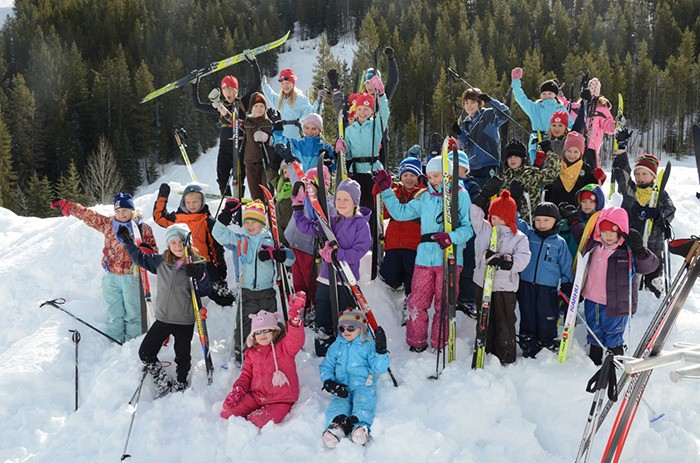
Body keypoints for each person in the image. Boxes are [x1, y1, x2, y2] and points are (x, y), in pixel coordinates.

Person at [374, 155, 474, 352]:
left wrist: (451, 237)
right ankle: (416, 342)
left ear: (447, 175)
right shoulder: (424, 197)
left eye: (437, 176)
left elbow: (468, 229)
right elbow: (400, 213)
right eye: (430, 176)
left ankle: (440, 343)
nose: (434, 180)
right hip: (424, 257)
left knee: (443, 304)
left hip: (449, 257)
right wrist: (386, 190)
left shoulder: (460, 195)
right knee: (417, 302)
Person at [117, 223, 211, 395]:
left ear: (188, 243)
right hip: (163, 319)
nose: (177, 247)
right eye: (173, 243)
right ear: (168, 245)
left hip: (184, 320)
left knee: (182, 357)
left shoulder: (196, 264)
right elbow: (140, 258)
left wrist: (199, 275)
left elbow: (206, 290)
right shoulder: (161, 261)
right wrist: (128, 242)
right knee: (145, 352)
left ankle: (181, 383)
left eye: (181, 242)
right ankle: (161, 379)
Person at [50, 193, 158, 343]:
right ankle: (115, 340)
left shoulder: (143, 229)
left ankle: (132, 343)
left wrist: (145, 250)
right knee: (114, 311)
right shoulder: (108, 224)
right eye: (118, 211)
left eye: (125, 211)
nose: (121, 214)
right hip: (111, 277)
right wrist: (67, 205)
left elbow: (153, 252)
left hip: (131, 277)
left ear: (132, 211)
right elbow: (88, 215)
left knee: (133, 312)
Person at [293, 178, 371, 356]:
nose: (341, 203)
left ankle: (347, 350)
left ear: (355, 202)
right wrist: (298, 209)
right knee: (323, 314)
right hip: (326, 278)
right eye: (339, 199)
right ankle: (323, 351)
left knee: (346, 316)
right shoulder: (331, 222)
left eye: (346, 199)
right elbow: (307, 227)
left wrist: (337, 254)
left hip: (346, 280)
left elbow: (360, 250)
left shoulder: (361, 224)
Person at [212, 199, 295, 363]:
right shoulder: (240, 239)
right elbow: (218, 234)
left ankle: (273, 351)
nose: (249, 226)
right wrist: (226, 215)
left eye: (254, 222)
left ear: (262, 222)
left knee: (270, 324)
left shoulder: (271, 240)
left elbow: (290, 259)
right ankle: (241, 352)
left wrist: (276, 254)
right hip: (247, 291)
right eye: (247, 222)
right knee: (244, 324)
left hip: (266, 292)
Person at [580, 208, 660, 365]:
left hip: (616, 303)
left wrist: (640, 252)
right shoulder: (594, 246)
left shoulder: (627, 251)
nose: (608, 235)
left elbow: (651, 266)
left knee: (613, 334)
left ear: (621, 230)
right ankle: (593, 361)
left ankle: (615, 364)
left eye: (613, 231)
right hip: (592, 299)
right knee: (594, 331)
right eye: (604, 231)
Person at [220, 292, 306, 427]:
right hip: (257, 396)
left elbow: (296, 340)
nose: (262, 335)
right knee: (228, 412)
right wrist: (238, 391)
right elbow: (246, 375)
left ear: (275, 331)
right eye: (258, 332)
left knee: (255, 421)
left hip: (280, 399)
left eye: (267, 330)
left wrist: (295, 321)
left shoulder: (284, 347)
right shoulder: (252, 352)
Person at [470, 180, 531, 365]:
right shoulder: (484, 228)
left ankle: (505, 354)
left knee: (504, 320)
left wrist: (506, 261)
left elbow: (523, 258)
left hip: (504, 287)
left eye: (499, 218)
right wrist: (484, 194)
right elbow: (474, 212)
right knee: (484, 318)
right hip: (482, 282)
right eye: (493, 217)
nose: (494, 221)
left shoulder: (518, 237)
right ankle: (484, 348)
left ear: (508, 218)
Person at [154, 183, 234, 306]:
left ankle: (226, 307)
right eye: (188, 202)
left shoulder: (207, 220)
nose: (192, 205)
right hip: (182, 261)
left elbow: (215, 245)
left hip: (203, 262)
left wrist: (220, 265)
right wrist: (162, 197)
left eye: (195, 202)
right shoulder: (176, 218)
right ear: (183, 202)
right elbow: (159, 217)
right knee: (181, 292)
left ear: (202, 201)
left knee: (221, 294)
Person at [191, 55, 261, 195]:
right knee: (222, 178)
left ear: (237, 90)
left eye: (232, 89)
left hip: (241, 147)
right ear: (222, 91)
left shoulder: (243, 102)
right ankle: (229, 201)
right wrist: (194, 84)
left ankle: (238, 202)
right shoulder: (219, 106)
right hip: (225, 148)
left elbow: (257, 84)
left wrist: (253, 63)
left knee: (239, 180)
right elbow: (197, 105)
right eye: (226, 89)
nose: (229, 92)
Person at [319, 309, 390, 447]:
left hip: (363, 385)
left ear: (361, 328)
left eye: (351, 327)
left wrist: (381, 351)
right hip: (341, 385)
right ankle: (337, 427)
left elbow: (379, 368)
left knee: (363, 403)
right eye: (342, 328)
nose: (346, 331)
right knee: (338, 404)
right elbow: (326, 366)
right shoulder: (336, 347)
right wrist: (329, 382)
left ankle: (360, 427)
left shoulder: (368, 346)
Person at [611, 152, 675, 298]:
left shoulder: (661, 194)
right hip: (631, 241)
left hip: (654, 243)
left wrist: (659, 214)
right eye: (637, 173)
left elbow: (671, 210)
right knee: (630, 268)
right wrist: (621, 159)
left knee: (653, 270)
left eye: (644, 174)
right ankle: (631, 293)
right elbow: (623, 177)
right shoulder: (630, 191)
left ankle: (653, 294)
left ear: (653, 176)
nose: (640, 177)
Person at [516, 202, 573, 358]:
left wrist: (568, 284)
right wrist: (515, 201)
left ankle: (547, 340)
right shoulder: (528, 236)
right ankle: (528, 340)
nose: (541, 224)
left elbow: (566, 265)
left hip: (547, 288)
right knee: (527, 313)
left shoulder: (559, 243)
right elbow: (515, 222)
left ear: (555, 221)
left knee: (546, 314)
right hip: (526, 284)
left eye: (546, 220)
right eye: (538, 220)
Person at [376, 156, 427, 324]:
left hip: (414, 246)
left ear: (419, 177)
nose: (409, 179)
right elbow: (384, 212)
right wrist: (378, 188)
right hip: (393, 245)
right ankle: (394, 291)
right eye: (405, 175)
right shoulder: (395, 191)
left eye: (413, 175)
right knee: (387, 276)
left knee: (412, 276)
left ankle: (410, 301)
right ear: (400, 176)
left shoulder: (422, 195)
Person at [284, 166, 334, 323]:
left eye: (310, 184)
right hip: (295, 243)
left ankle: (313, 306)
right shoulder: (303, 197)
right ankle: (301, 305)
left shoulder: (327, 204)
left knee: (310, 281)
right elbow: (295, 177)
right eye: (306, 184)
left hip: (309, 248)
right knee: (298, 280)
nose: (307, 188)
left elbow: (327, 224)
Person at [336, 77, 390, 210]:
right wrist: (342, 150)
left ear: (371, 111)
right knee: (359, 205)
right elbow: (348, 157)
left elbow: (385, 112)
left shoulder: (376, 126)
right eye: (360, 109)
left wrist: (381, 94)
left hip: (373, 170)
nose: (362, 113)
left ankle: (374, 229)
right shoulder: (349, 130)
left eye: (366, 109)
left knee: (373, 205)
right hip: (356, 172)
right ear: (355, 110)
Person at [451, 87, 511, 187]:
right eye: (466, 103)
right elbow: (466, 143)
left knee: (488, 191)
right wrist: (459, 133)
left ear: (479, 103)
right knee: (474, 192)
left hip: (489, 162)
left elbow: (506, 113)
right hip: (472, 166)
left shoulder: (489, 114)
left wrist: (491, 101)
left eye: (472, 102)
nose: (469, 106)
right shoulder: (465, 123)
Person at [510, 67, 571, 162]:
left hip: (556, 143)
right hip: (537, 143)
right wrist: (516, 81)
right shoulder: (535, 108)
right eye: (544, 93)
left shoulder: (560, 109)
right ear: (541, 95)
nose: (547, 96)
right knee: (538, 171)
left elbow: (571, 125)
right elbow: (521, 99)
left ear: (555, 95)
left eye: (550, 93)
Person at [447, 149, 481, 318]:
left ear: (465, 169)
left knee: (467, 265)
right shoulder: (445, 185)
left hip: (467, 232)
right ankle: (449, 294)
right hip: (449, 232)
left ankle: (467, 297)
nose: (452, 169)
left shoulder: (471, 186)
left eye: (456, 166)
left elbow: (475, 206)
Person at [498, 138, 561, 225]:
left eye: (516, 156)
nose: (512, 159)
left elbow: (554, 172)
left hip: (531, 225)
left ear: (522, 159)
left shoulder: (532, 174)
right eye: (510, 157)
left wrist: (549, 152)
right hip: (508, 225)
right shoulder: (503, 178)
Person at [544, 131, 604, 208]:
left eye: (576, 152)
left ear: (581, 153)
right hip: (554, 209)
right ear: (564, 151)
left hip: (576, 211)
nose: (572, 155)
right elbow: (547, 184)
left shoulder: (585, 169)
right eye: (569, 151)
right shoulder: (557, 166)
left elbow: (593, 187)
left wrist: (601, 177)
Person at [569, 77, 616, 169]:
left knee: (590, 168)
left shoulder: (602, 110)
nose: (591, 98)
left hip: (591, 145)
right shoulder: (578, 107)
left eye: (594, 96)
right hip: (576, 144)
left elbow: (609, 127)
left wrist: (616, 125)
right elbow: (565, 108)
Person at [262, 68, 322, 139]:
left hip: (297, 139)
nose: (285, 86)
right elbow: (271, 96)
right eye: (282, 83)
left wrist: (319, 101)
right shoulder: (281, 100)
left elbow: (312, 113)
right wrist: (264, 85)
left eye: (287, 83)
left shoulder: (300, 99)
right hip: (285, 138)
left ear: (293, 83)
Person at [241, 92, 274, 202]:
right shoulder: (247, 123)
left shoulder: (269, 123)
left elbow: (276, 139)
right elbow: (233, 121)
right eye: (256, 106)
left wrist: (268, 138)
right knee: (255, 195)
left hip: (266, 162)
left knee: (268, 193)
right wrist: (219, 107)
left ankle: (270, 216)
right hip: (250, 162)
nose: (259, 109)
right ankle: (258, 216)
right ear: (251, 108)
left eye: (261, 106)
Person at [558, 184, 605, 259]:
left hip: (589, 263)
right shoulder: (574, 218)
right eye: (584, 201)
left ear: (598, 204)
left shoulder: (600, 222)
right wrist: (564, 226)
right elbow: (561, 240)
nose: (587, 204)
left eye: (591, 202)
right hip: (570, 259)